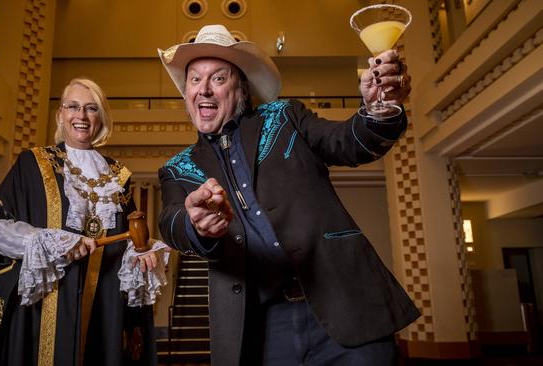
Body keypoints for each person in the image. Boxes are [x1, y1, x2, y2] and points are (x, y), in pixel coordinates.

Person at [157, 24, 420, 365]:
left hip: (345, 306)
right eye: (194, 79)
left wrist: (379, 110)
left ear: (241, 89)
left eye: (218, 78)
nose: (204, 89)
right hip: (264, 327)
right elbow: (170, 220)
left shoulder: (284, 117)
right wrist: (194, 225)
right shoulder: (177, 169)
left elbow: (346, 142)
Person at [0, 78, 165, 365]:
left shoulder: (118, 177)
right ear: (60, 114)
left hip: (104, 303)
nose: (82, 116)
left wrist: (142, 252)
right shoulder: (33, 164)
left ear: (102, 117)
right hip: (48, 301)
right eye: (73, 107)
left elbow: (129, 238)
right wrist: (46, 241)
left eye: (91, 108)